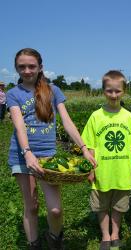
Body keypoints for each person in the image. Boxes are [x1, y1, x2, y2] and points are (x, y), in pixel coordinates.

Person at [6, 48, 97, 250]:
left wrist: (83, 148)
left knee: (55, 210)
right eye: (22, 67)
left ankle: (55, 240)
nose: (27, 70)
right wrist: (27, 153)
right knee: (32, 206)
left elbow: (67, 122)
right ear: (16, 68)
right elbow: (19, 126)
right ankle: (34, 244)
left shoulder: (53, 90)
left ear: (40, 67)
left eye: (32, 66)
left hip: (48, 155)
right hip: (22, 155)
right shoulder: (13, 94)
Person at [81, 70, 131, 250]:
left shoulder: (128, 117)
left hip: (121, 171)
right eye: (109, 91)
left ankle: (115, 234)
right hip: (102, 170)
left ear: (124, 91)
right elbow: (90, 145)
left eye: (117, 91)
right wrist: (91, 168)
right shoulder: (96, 116)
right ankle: (105, 235)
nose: (113, 95)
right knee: (102, 206)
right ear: (103, 91)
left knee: (119, 206)